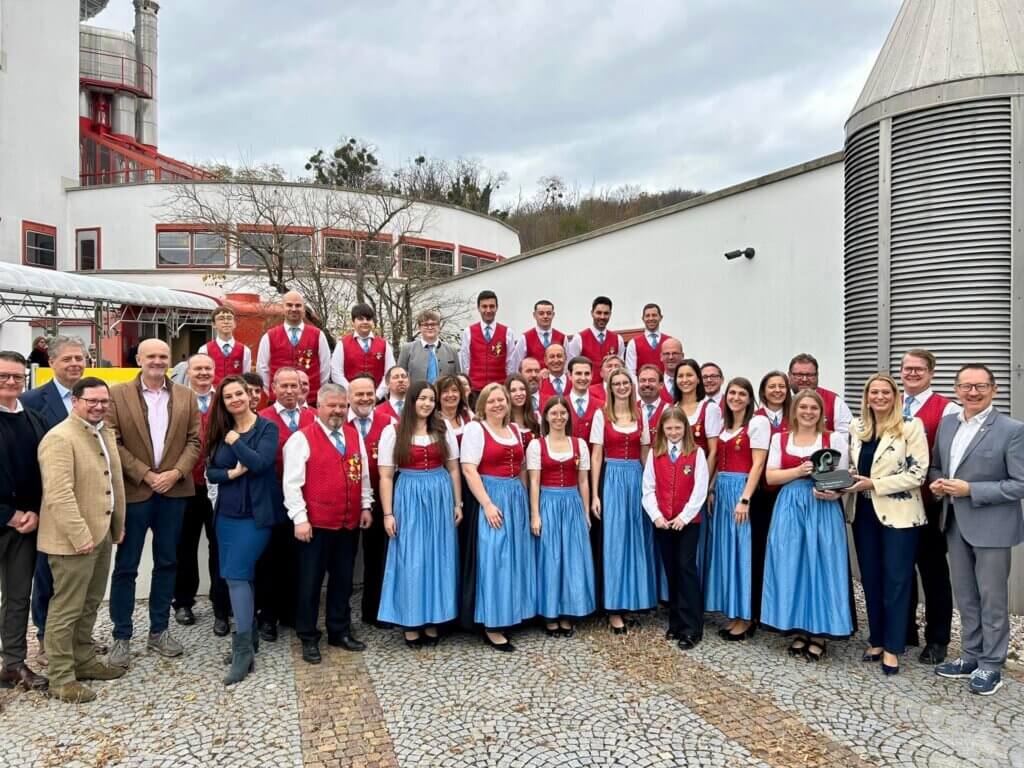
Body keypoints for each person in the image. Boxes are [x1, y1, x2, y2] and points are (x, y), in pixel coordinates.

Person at [929, 364, 1024, 696]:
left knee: (992, 599)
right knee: (966, 597)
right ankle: (969, 656)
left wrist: (973, 490)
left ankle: (991, 665)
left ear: (994, 389)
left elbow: (1019, 484)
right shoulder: (947, 424)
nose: (972, 392)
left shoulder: (1012, 430)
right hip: (954, 523)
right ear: (956, 389)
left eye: (980, 386)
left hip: (993, 527)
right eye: (965, 386)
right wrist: (936, 483)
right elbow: (937, 466)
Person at [106, 339, 201, 667]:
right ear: (139, 359)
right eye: (152, 356)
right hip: (135, 492)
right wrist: (146, 474)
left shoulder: (186, 396)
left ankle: (160, 630)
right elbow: (112, 439)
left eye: (163, 356)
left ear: (171, 360)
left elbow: (195, 440)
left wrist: (175, 473)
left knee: (167, 563)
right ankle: (121, 635)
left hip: (173, 493)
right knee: (126, 566)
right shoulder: (117, 395)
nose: (158, 361)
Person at [37, 377, 127, 702]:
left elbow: (112, 482)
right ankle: (61, 678)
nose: (99, 406)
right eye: (92, 401)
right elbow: (58, 494)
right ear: (75, 401)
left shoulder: (103, 432)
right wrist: (79, 535)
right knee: (66, 608)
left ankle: (84, 660)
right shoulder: (60, 438)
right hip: (73, 540)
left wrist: (118, 525)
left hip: (100, 534)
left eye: (104, 401)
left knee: (90, 603)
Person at [846, 373, 929, 676]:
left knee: (896, 581)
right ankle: (877, 639)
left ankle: (894, 647)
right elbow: (853, 468)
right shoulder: (858, 428)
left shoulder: (910, 427)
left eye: (885, 392)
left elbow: (918, 473)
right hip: (863, 513)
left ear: (895, 396)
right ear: (866, 397)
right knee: (871, 577)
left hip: (901, 516)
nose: (879, 397)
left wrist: (874, 483)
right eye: (874, 392)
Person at [283, 384, 372, 664]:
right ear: (318, 407)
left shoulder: (352, 434)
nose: (337, 411)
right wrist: (300, 519)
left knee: (343, 582)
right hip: (316, 525)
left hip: (347, 523)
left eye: (342, 406)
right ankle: (308, 635)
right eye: (331, 405)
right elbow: (292, 484)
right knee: (309, 583)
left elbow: (363, 472)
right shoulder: (301, 438)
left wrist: (366, 505)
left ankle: (339, 630)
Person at [762, 390, 853, 661]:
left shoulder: (833, 438)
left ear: (821, 412)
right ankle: (798, 625)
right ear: (795, 410)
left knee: (822, 564)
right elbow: (770, 476)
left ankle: (820, 631)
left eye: (814, 408)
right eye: (803, 407)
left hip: (822, 507)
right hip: (790, 505)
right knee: (792, 564)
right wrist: (797, 471)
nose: (808, 412)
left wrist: (835, 493)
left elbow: (843, 477)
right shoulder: (780, 438)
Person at [204, 375, 281, 686]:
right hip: (227, 515)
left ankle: (241, 651)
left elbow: (262, 464)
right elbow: (210, 470)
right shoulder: (219, 429)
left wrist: (236, 442)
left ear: (251, 396)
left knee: (236, 575)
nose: (235, 399)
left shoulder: (267, 428)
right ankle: (249, 642)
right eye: (228, 396)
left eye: (240, 394)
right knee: (237, 576)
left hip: (257, 515)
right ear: (222, 403)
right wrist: (232, 473)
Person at [377, 382, 462, 645]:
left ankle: (435, 616)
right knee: (411, 557)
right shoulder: (393, 431)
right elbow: (386, 475)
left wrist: (458, 503)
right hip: (410, 495)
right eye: (422, 398)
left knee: (438, 555)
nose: (427, 403)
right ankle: (411, 619)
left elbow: (454, 468)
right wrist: (388, 513)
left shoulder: (442, 428)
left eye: (431, 399)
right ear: (412, 401)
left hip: (439, 493)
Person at [22, 335, 86, 664]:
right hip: (48, 499)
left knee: (82, 573)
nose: (75, 363)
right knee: (47, 572)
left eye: (80, 358)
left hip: (86, 499)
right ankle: (47, 637)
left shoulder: (95, 396)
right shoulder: (32, 400)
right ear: (52, 363)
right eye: (68, 359)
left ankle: (78, 637)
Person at [460, 383, 535, 651]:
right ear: (482, 405)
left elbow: (523, 467)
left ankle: (513, 612)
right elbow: (469, 469)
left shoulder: (514, 429)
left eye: (501, 399)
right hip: (491, 495)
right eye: (491, 401)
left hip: (515, 495)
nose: (497, 404)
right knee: (495, 558)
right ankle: (492, 623)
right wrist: (488, 505)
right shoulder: (475, 429)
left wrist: (526, 499)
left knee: (516, 556)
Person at [898, 349, 959, 665]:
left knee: (933, 572)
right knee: (900, 569)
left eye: (918, 369)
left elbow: (949, 456)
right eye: (907, 369)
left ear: (931, 373)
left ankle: (937, 639)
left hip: (927, 503)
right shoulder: (893, 403)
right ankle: (905, 629)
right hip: (894, 503)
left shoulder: (947, 409)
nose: (911, 374)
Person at [705, 378, 769, 641]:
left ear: (750, 397)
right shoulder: (725, 426)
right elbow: (719, 462)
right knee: (726, 551)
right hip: (722, 489)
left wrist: (744, 499)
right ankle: (734, 612)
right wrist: (710, 489)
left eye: (742, 393)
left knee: (742, 552)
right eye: (732, 392)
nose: (736, 397)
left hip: (741, 489)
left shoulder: (757, 424)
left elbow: (757, 464)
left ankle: (746, 616)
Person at [590, 368, 654, 632]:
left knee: (635, 538)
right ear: (610, 386)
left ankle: (632, 599)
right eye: (616, 383)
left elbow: (645, 454)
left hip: (636, 478)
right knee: (615, 541)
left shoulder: (641, 414)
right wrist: (595, 493)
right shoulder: (601, 415)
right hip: (613, 478)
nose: (621, 387)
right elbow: (595, 455)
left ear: (632, 385)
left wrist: (651, 488)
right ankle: (613, 607)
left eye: (625, 382)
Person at [254, 367, 315, 641]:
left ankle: (293, 612)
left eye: (295, 386)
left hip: (306, 501)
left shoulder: (314, 417)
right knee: (270, 561)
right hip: (273, 499)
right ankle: (268, 616)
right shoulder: (261, 420)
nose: (290, 391)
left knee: (300, 561)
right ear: (273, 388)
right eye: (284, 386)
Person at [642, 406, 709, 650]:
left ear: (685, 429)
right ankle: (676, 622)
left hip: (687, 523)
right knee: (671, 570)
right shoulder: (655, 454)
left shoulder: (696, 453)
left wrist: (685, 516)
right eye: (668, 428)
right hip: (663, 522)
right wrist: (656, 516)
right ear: (662, 430)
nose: (673, 432)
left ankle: (693, 627)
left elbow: (699, 489)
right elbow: (648, 488)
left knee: (686, 568)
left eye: (677, 428)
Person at [0, 351, 48, 691]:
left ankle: (13, 663)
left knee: (18, 596)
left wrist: (35, 511)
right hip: (6, 518)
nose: (12, 382)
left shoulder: (33, 418)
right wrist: (9, 515)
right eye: (4, 376)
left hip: (27, 525)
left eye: (17, 376)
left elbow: (45, 471)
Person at [173, 354, 230, 636]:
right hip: (186, 483)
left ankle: (222, 607)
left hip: (220, 486)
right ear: (189, 372)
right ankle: (183, 601)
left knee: (218, 547)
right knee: (184, 546)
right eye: (198, 369)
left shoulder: (224, 400)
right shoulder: (178, 399)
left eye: (208, 368)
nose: (204, 373)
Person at [529, 397, 595, 636]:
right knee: (550, 557)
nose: (559, 418)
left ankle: (569, 610)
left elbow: (583, 480)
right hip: (548, 502)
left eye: (563, 413)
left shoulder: (579, 445)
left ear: (568, 416)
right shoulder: (537, 445)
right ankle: (550, 612)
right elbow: (534, 481)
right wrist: (535, 514)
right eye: (554, 413)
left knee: (572, 558)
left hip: (572, 503)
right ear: (545, 417)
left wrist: (585, 511)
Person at [348, 374, 397, 629]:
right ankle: (340, 613)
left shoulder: (388, 423)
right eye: (359, 394)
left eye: (369, 393)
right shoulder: (339, 422)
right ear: (349, 397)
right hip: (345, 500)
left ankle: (374, 610)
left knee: (376, 556)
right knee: (343, 559)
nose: (365, 398)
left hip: (378, 499)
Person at [749, 371, 791, 627]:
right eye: (771, 386)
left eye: (781, 386)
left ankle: (783, 609)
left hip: (786, 494)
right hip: (761, 495)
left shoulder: (795, 417)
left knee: (785, 552)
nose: (777, 390)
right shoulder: (756, 419)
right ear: (763, 391)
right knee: (759, 550)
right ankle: (757, 610)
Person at [435, 374, 477, 629]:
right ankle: (445, 609)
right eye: (446, 392)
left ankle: (466, 606)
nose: (451, 395)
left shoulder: (470, 418)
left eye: (455, 391)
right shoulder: (433, 421)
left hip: (470, 488)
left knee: (467, 547)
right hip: (443, 488)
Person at [256, 290, 331, 405]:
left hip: (310, 400)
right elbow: (262, 368)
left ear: (304, 309)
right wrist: (272, 392)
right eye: (289, 305)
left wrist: (317, 393)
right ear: (283, 307)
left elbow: (325, 368)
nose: (294, 309)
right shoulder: (269, 336)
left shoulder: (318, 335)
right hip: (278, 401)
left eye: (298, 305)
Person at [331, 303, 395, 398]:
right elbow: (336, 373)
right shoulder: (342, 344)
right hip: (350, 399)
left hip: (377, 400)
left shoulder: (384, 345)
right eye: (360, 319)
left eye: (368, 319)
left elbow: (390, 373)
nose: (365, 322)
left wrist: (377, 395)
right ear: (353, 322)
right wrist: (352, 392)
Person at [459, 290, 516, 395]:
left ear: (497, 307)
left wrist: (508, 388)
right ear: (478, 308)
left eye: (491, 306)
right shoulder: (469, 332)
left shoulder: (507, 332)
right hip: (475, 390)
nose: (488, 310)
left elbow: (511, 364)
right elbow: (465, 362)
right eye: (484, 306)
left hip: (499, 389)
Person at [788, 353, 852, 434]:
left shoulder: (835, 402)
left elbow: (847, 436)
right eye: (799, 375)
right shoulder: (780, 400)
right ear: (789, 375)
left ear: (817, 375)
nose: (804, 379)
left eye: (810, 375)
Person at [397, 309, 460, 385]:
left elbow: (458, 378)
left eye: (433, 324)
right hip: (417, 395)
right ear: (419, 327)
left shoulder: (451, 350)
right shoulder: (407, 349)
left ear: (439, 327)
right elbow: (400, 378)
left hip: (444, 395)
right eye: (426, 325)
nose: (430, 327)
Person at [566, 296, 623, 379]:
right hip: (587, 389)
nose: (602, 317)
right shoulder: (579, 339)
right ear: (592, 313)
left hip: (611, 389)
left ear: (610, 314)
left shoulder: (618, 339)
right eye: (599, 313)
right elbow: (570, 367)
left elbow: (621, 369)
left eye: (606, 313)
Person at [198, 306, 252, 386]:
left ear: (235, 324)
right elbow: (201, 376)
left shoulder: (245, 350)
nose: (226, 322)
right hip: (213, 395)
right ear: (213, 324)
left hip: (235, 395)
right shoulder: (204, 350)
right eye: (221, 319)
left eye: (229, 318)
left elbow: (246, 378)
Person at [514, 300, 565, 372]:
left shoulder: (562, 338)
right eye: (541, 313)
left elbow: (567, 365)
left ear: (553, 315)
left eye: (548, 313)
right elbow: (517, 365)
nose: (545, 316)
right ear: (534, 315)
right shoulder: (525, 338)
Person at [624, 303, 673, 376]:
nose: (651, 318)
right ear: (643, 318)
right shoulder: (633, 343)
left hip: (665, 386)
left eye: (654, 315)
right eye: (647, 316)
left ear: (661, 317)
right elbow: (631, 373)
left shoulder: (669, 342)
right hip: (643, 386)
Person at [566, 357, 600, 442]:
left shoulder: (602, 406)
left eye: (587, 374)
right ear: (569, 375)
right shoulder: (560, 404)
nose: (583, 378)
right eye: (578, 373)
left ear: (592, 376)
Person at [506, 373, 540, 449]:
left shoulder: (537, 418)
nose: (519, 394)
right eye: (513, 390)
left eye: (522, 389)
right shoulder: (503, 421)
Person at [637, 364, 669, 443]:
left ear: (661, 385)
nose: (647, 384)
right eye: (643, 380)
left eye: (651, 380)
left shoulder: (670, 410)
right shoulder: (630, 409)